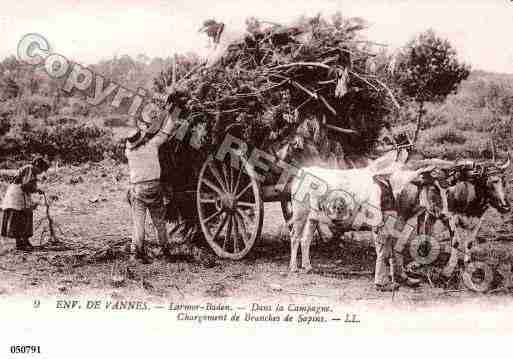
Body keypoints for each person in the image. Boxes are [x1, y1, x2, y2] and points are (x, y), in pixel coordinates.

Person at [125, 95, 185, 264]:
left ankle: (136, 253)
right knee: (159, 222)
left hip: (137, 189)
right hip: (154, 187)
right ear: (142, 138)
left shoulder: (129, 152)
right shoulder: (152, 146)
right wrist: (174, 112)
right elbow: (166, 132)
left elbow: (131, 143)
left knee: (138, 223)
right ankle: (166, 252)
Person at [0, 157, 50, 251]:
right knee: (18, 217)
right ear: (37, 165)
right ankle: (19, 244)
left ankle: (25, 241)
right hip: (17, 194)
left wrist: (36, 189)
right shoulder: (30, 168)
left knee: (27, 215)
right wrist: (37, 190)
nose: (40, 172)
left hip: (21, 194)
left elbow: (28, 185)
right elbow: (26, 185)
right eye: (41, 170)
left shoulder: (31, 170)